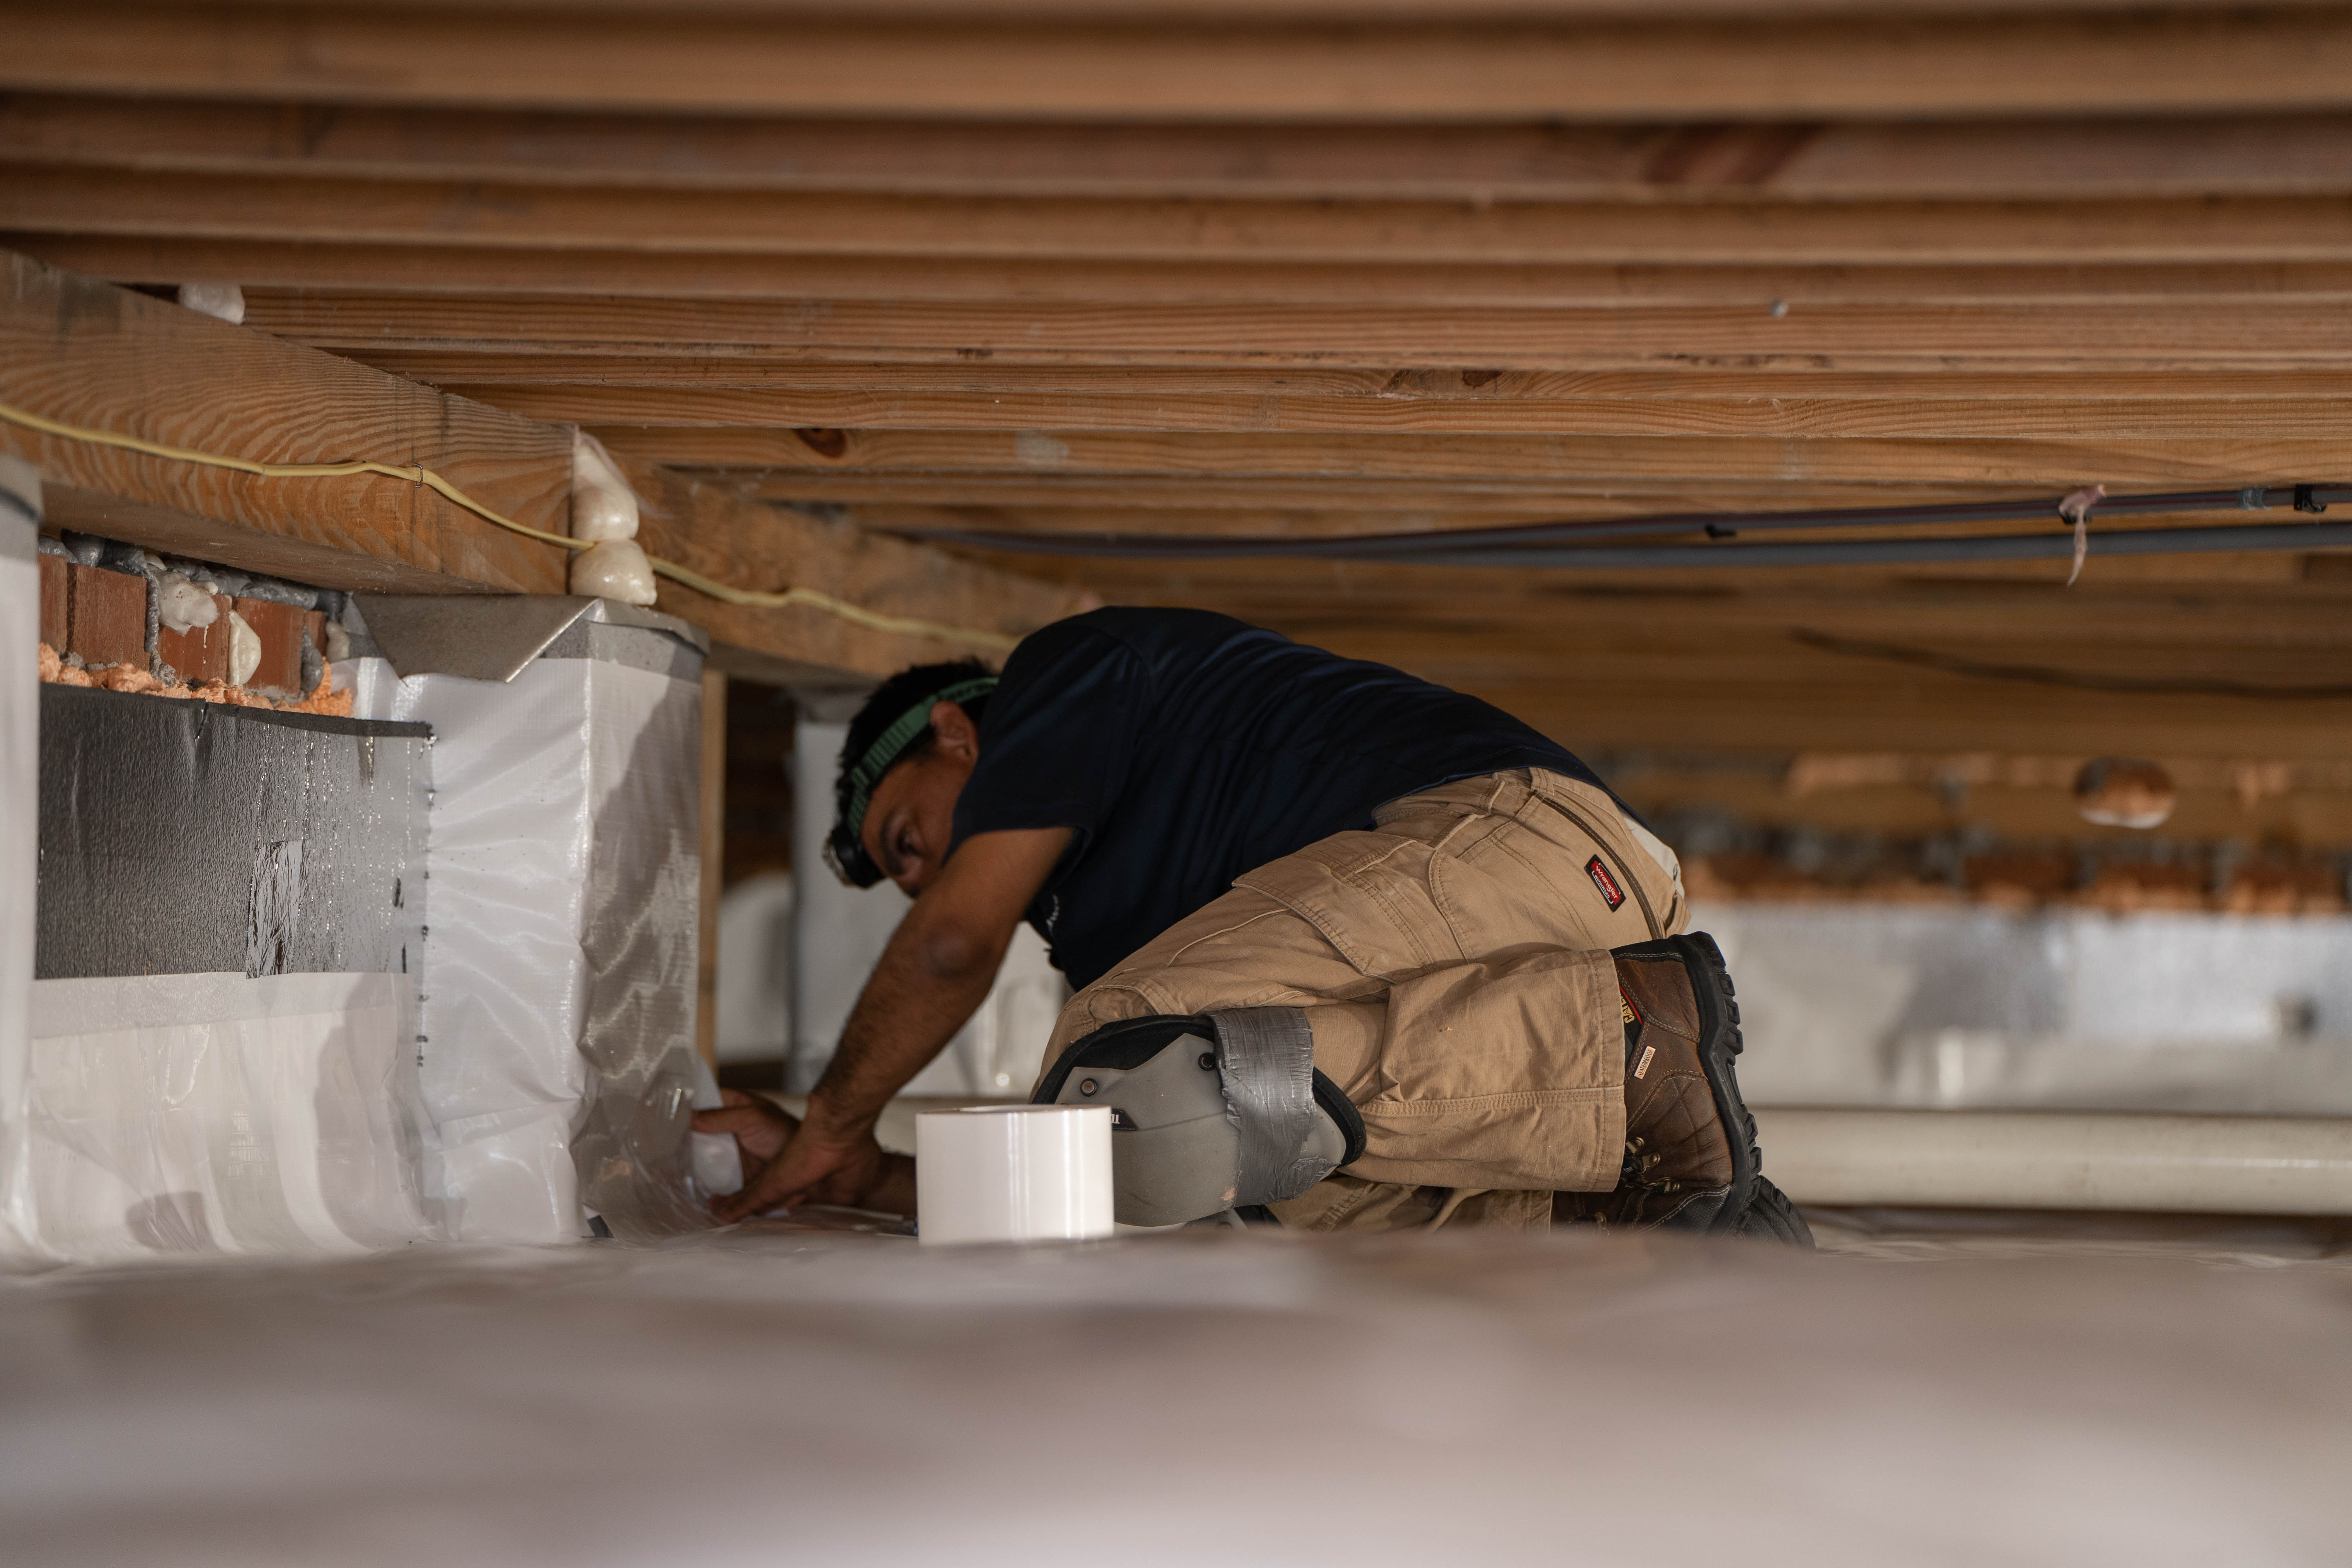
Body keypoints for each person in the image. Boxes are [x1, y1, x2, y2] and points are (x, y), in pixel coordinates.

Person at [697, 606, 1806, 1240]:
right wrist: (860, 1179)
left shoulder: (1061, 679)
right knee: (1232, 1169)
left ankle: (1625, 1053)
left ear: (954, 736)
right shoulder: (1135, 935)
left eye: (909, 841)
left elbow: (952, 946)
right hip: (1551, 931)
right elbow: (1099, 1164)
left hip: (1513, 850)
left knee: (1124, 1059)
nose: (931, 879)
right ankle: (1646, 1224)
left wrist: (826, 1124)